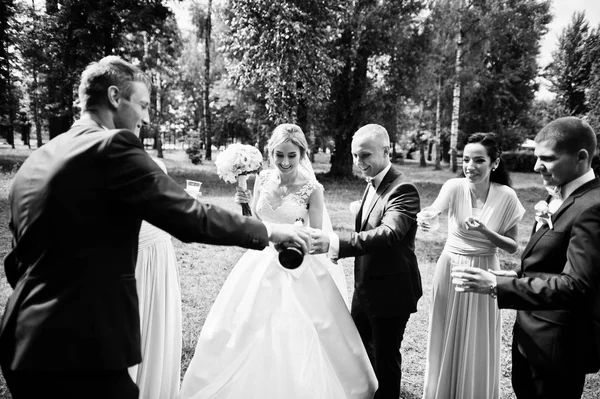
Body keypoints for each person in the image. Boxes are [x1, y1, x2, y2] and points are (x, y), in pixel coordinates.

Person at [0, 56, 308, 399]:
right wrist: (268, 232)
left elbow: (17, 261)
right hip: (81, 350)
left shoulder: (37, 160)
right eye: (143, 105)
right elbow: (190, 215)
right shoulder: (111, 146)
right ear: (115, 97)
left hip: (20, 341)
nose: (146, 118)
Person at [179, 123, 377, 399]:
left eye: (291, 156)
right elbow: (256, 224)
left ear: (302, 154)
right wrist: (245, 204)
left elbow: (316, 236)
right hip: (259, 263)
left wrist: (293, 240)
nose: (284, 162)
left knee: (292, 329)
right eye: (279, 155)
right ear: (271, 153)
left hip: (296, 265)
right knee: (245, 324)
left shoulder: (313, 189)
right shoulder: (262, 179)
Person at [452, 117, 600, 399]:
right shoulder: (560, 197)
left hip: (559, 349)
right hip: (530, 339)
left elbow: (578, 287)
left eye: (547, 158)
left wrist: (498, 287)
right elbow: (549, 265)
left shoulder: (592, 207)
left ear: (581, 157)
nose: (536, 167)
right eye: (536, 157)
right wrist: (513, 276)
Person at [311, 123, 422, 399]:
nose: (359, 163)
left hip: (391, 291)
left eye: (365, 155)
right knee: (360, 352)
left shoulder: (403, 188)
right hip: (366, 288)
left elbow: (389, 234)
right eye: (355, 156)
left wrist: (334, 242)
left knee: (385, 360)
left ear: (387, 151)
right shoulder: (373, 183)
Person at [419, 133, 525, 399]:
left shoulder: (507, 196)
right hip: (451, 268)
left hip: (486, 271)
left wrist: (487, 232)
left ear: (494, 163)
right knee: (445, 334)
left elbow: (513, 246)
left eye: (479, 160)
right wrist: (426, 217)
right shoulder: (454, 187)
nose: (470, 166)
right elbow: (435, 210)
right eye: (466, 159)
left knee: (477, 339)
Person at [127, 156, 182, 399]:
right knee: (133, 325)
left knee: (155, 324)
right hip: (134, 256)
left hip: (159, 253)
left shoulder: (150, 161)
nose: (146, 116)